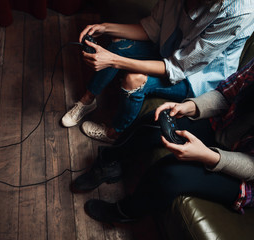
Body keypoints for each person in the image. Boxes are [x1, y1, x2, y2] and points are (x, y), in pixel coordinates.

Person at [71, 57, 254, 224]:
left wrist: (208, 156)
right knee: (156, 122)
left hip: (245, 172)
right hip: (224, 128)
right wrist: (188, 106)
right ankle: (109, 163)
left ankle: (126, 212)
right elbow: (225, 94)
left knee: (170, 174)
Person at [61, 0, 254, 143]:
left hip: (196, 77)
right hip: (170, 50)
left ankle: (115, 133)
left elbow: (177, 67)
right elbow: (152, 29)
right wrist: (106, 28)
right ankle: (88, 100)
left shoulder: (240, 12)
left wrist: (113, 61)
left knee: (134, 80)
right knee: (119, 46)